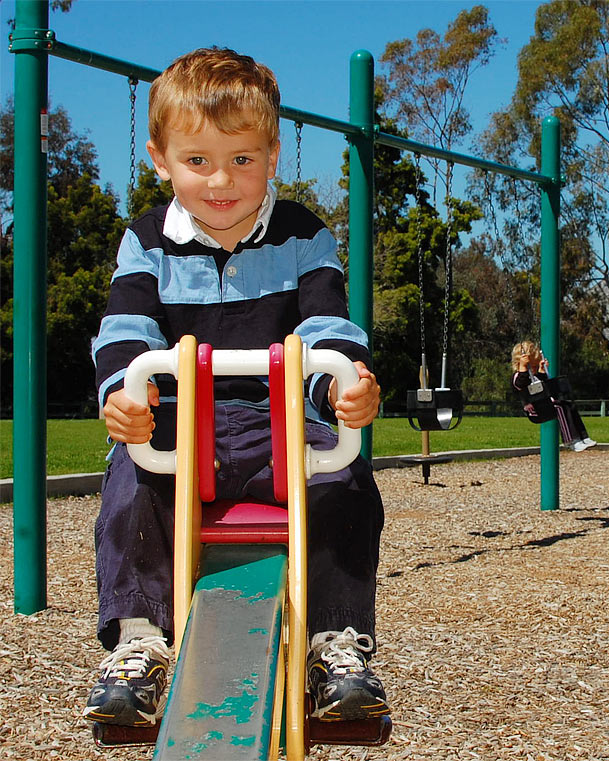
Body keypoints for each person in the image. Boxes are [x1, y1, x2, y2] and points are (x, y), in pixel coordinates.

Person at [84, 47, 389, 728]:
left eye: (243, 159)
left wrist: (343, 388)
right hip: (179, 421)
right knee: (132, 483)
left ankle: (335, 645)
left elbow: (328, 327)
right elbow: (124, 331)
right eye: (197, 161)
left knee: (342, 478)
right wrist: (126, 395)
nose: (221, 180)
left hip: (273, 420)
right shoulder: (145, 242)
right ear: (160, 159)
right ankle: (139, 645)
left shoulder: (304, 235)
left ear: (273, 155)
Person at [511, 341, 596, 451]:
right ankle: (570, 441)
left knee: (568, 405)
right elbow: (521, 383)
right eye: (533, 366)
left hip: (544, 406)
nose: (534, 369)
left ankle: (583, 437)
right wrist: (523, 367)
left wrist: (542, 370)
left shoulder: (533, 376)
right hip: (535, 412)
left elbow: (544, 386)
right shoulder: (517, 376)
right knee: (559, 407)